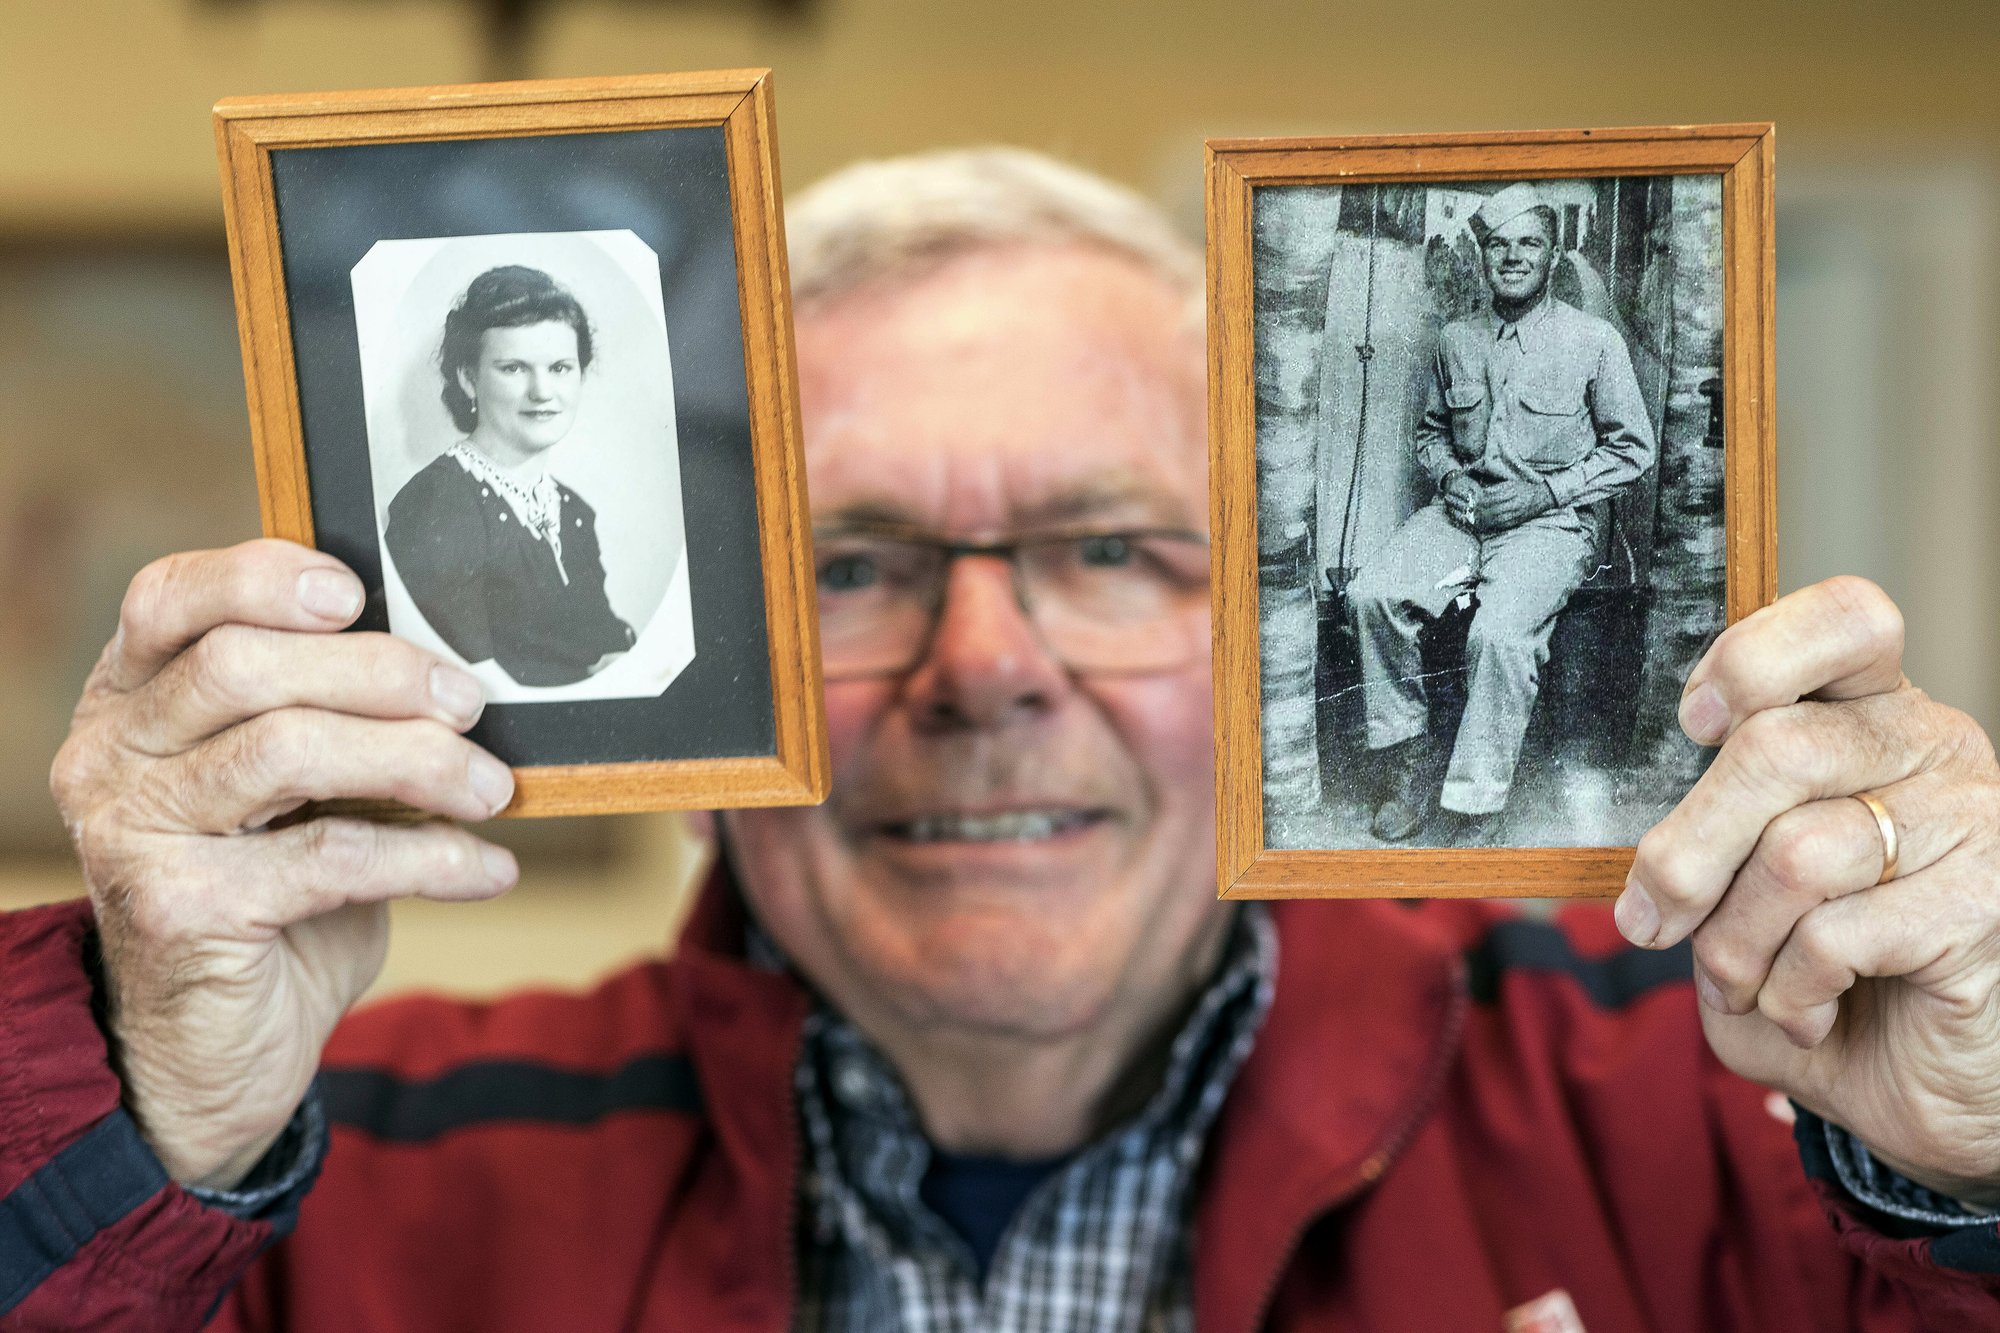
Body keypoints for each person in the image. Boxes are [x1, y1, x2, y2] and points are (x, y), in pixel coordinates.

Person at [8, 148, 2000, 1330]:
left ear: (1255, 617)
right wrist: (135, 1113)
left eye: (1114, 546)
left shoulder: (1714, 1125)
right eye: (851, 562)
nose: (985, 666)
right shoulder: (342, 1181)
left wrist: (1982, 1148)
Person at [1349, 182, 1656, 843]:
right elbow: (1430, 435)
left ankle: (1477, 804)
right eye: (1499, 246)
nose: (1513, 258)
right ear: (1482, 256)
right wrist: (1451, 475)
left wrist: (1548, 493)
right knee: (1371, 594)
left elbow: (1634, 448)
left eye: (1530, 245)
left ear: (1553, 255)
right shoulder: (1454, 340)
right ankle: (1411, 757)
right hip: (1462, 519)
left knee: (1500, 637)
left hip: (1549, 527)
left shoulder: (1593, 340)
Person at [383, 263, 635, 688]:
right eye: (514, 368)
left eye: (559, 368)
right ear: (468, 379)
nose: (542, 391)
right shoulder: (436, 502)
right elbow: (466, 680)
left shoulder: (573, 511)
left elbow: (602, 636)